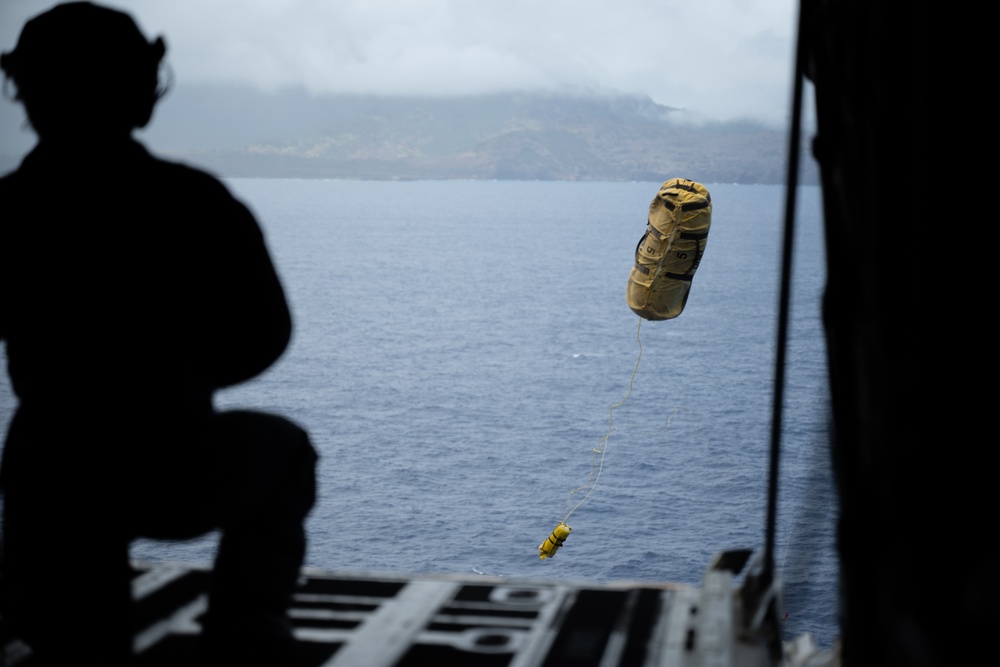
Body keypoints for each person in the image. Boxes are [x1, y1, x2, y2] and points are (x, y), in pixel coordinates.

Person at [0, 3, 317, 664]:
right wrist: (179, 372)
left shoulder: (8, 209)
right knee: (285, 449)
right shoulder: (197, 201)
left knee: (73, 645)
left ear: (27, 93)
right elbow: (266, 333)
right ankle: (247, 624)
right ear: (143, 92)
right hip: (170, 457)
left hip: (48, 472)